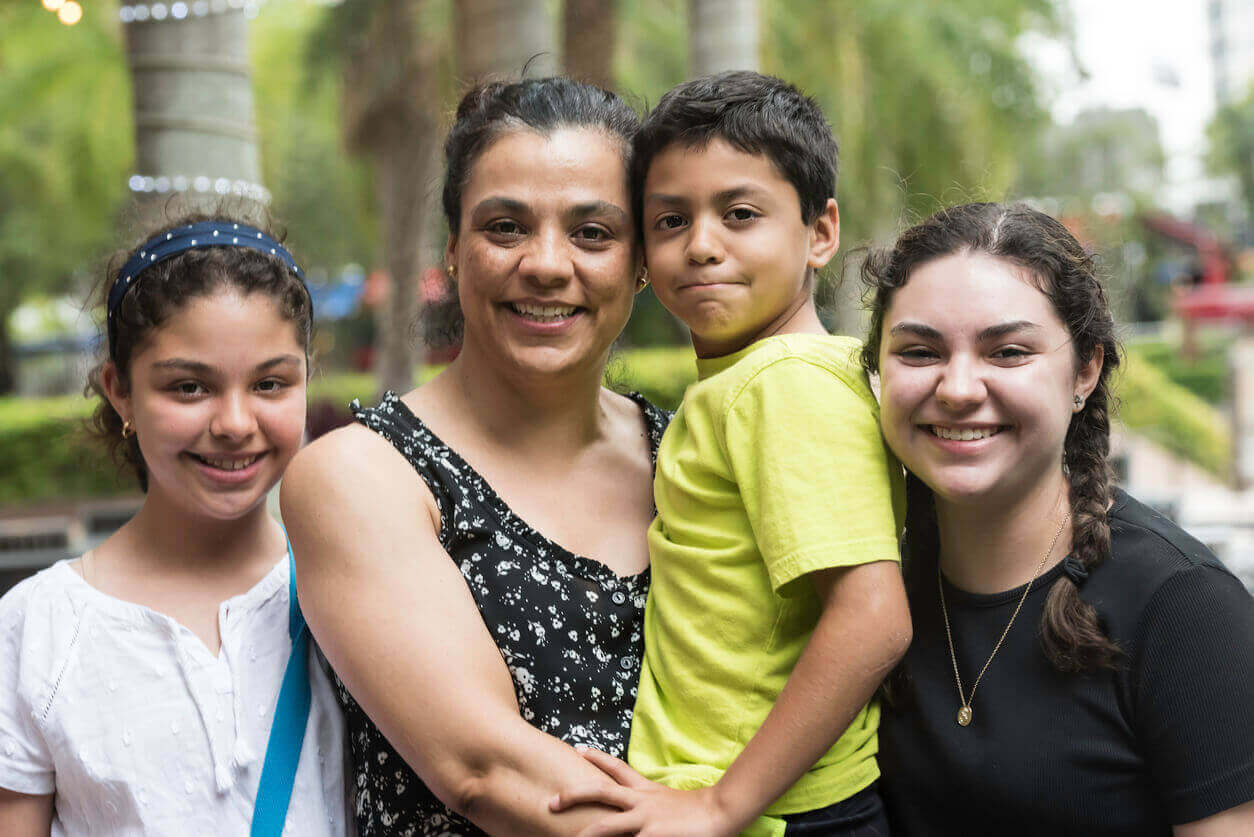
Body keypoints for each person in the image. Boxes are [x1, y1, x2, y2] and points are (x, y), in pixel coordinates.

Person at [280, 77, 670, 836]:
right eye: (505, 227)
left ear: (641, 260)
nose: (547, 264)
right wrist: (724, 814)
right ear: (455, 251)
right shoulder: (363, 474)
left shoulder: (691, 455)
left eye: (592, 232)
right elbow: (486, 771)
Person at [551, 71, 911, 837]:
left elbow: (873, 614)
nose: (702, 245)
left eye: (740, 214)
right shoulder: (749, 382)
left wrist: (720, 804)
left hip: (783, 813)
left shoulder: (782, 383)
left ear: (821, 232)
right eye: (671, 220)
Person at [863, 202, 1254, 835]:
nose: (958, 387)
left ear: (1086, 368)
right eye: (919, 352)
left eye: (1009, 351)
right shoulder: (868, 585)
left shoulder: (1184, 608)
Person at [0, 213, 349, 835]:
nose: (236, 422)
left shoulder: (352, 592)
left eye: (270, 383)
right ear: (121, 392)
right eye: (189, 388)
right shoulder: (37, 630)